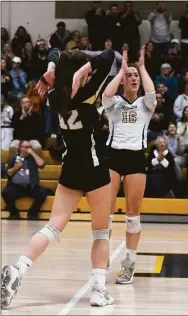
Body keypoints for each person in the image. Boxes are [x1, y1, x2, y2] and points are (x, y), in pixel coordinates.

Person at [1, 48, 116, 309]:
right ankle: (98, 290)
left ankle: (19, 269)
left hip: (70, 169)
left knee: (52, 228)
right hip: (95, 168)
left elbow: (54, 52)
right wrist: (86, 69)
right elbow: (109, 57)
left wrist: (52, 69)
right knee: (100, 232)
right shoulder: (87, 93)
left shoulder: (54, 96)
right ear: (79, 72)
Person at [102, 46, 156, 284]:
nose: (133, 79)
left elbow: (152, 93)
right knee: (106, 213)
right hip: (113, 158)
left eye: (136, 77)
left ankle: (128, 263)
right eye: (129, 76)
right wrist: (121, 71)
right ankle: (101, 258)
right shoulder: (114, 103)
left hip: (135, 159)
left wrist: (141, 68)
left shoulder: (145, 103)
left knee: (133, 216)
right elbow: (105, 95)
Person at [2, 140, 48, 220]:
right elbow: (8, 173)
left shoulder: (32, 158)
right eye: (26, 147)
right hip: (16, 187)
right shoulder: (14, 158)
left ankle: (32, 214)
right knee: (6, 193)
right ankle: (14, 213)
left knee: (42, 194)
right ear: (20, 148)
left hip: (31, 187)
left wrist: (33, 153)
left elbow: (42, 165)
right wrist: (15, 168)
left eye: (30, 147)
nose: (28, 149)